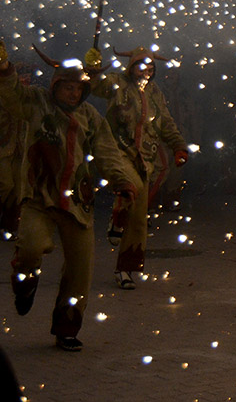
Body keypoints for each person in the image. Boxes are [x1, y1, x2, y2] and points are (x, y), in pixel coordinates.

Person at [0, 40, 141, 351]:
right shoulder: (36, 102)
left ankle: (67, 327)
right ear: (55, 85)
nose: (74, 93)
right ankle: (25, 284)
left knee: (80, 272)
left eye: (78, 88)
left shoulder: (91, 117)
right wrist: (4, 68)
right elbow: (11, 95)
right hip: (39, 199)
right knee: (31, 249)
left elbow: (107, 153)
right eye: (67, 87)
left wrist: (123, 181)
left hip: (78, 203)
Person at [86, 46, 189, 290]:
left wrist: (178, 146)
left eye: (151, 68)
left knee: (139, 220)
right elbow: (96, 86)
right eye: (142, 67)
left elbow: (166, 123)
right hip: (119, 151)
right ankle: (117, 218)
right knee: (128, 185)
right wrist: (92, 71)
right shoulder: (117, 83)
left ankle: (125, 269)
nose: (146, 72)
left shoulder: (154, 92)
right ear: (131, 67)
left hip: (146, 159)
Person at [0, 63, 30, 240]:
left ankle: (9, 224)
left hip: (20, 149)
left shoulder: (26, 98)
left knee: (18, 189)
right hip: (3, 148)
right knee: (5, 184)